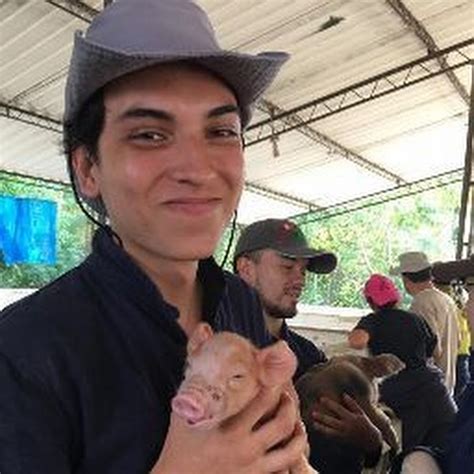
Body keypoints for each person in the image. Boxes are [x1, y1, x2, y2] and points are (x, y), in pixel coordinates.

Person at [0, 1, 310, 473]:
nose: (198, 170)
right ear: (87, 170)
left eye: (221, 131)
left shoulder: (240, 303)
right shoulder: (23, 353)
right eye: (149, 134)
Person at [233, 218, 387, 474]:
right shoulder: (221, 360)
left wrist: (372, 442)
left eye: (303, 270)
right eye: (287, 267)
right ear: (246, 269)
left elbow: (353, 438)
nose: (300, 280)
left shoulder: (309, 357)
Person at [349, 274, 456, 453]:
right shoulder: (415, 318)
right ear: (396, 297)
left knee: (412, 454)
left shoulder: (373, 320)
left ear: (370, 301)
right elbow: (436, 352)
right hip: (434, 390)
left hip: (400, 392)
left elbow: (357, 341)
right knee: (450, 448)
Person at [390, 251, 459, 394]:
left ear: (406, 279)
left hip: (429, 386)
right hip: (446, 381)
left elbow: (432, 348)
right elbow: (458, 340)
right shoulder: (446, 299)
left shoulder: (421, 302)